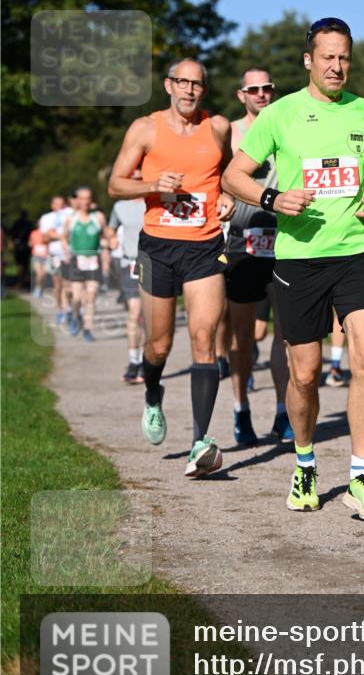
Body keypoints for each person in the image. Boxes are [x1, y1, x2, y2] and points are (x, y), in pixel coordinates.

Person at [222, 17, 364, 520]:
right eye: (328, 58)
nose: (337, 66)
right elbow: (234, 176)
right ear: (308, 61)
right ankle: (304, 463)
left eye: (344, 58)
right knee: (306, 374)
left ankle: (361, 476)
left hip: (357, 250)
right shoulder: (281, 114)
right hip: (300, 258)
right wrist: (274, 197)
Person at [108, 57, 234, 479]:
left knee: (205, 338)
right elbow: (115, 184)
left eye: (197, 84)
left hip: (204, 246)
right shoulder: (145, 128)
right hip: (157, 247)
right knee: (159, 345)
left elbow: (230, 173)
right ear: (168, 85)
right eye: (182, 83)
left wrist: (230, 196)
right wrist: (152, 186)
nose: (189, 91)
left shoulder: (217, 126)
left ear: (204, 89)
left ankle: (200, 441)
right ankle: (152, 392)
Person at [224, 67, 292, 444]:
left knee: (284, 334)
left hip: (284, 238)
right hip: (242, 240)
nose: (262, 94)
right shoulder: (231, 133)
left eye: (268, 88)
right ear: (241, 94)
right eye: (254, 89)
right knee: (243, 336)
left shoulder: (286, 123)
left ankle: (283, 412)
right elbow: (219, 178)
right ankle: (241, 409)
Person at [107, 170, 146, 383]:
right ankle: (133, 360)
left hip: (152, 263)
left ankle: (148, 361)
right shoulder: (120, 206)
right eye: (133, 179)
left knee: (149, 317)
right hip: (130, 262)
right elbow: (110, 229)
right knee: (134, 311)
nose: (137, 182)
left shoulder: (154, 201)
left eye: (141, 178)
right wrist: (111, 239)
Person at [60, 187, 106, 342]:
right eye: (82, 198)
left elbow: (107, 234)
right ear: (77, 200)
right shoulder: (71, 218)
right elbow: (64, 237)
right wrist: (67, 250)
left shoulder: (98, 217)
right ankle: (75, 317)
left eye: (88, 198)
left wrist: (110, 242)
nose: (85, 201)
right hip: (76, 261)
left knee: (91, 296)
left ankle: (87, 329)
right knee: (77, 297)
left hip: (93, 260)